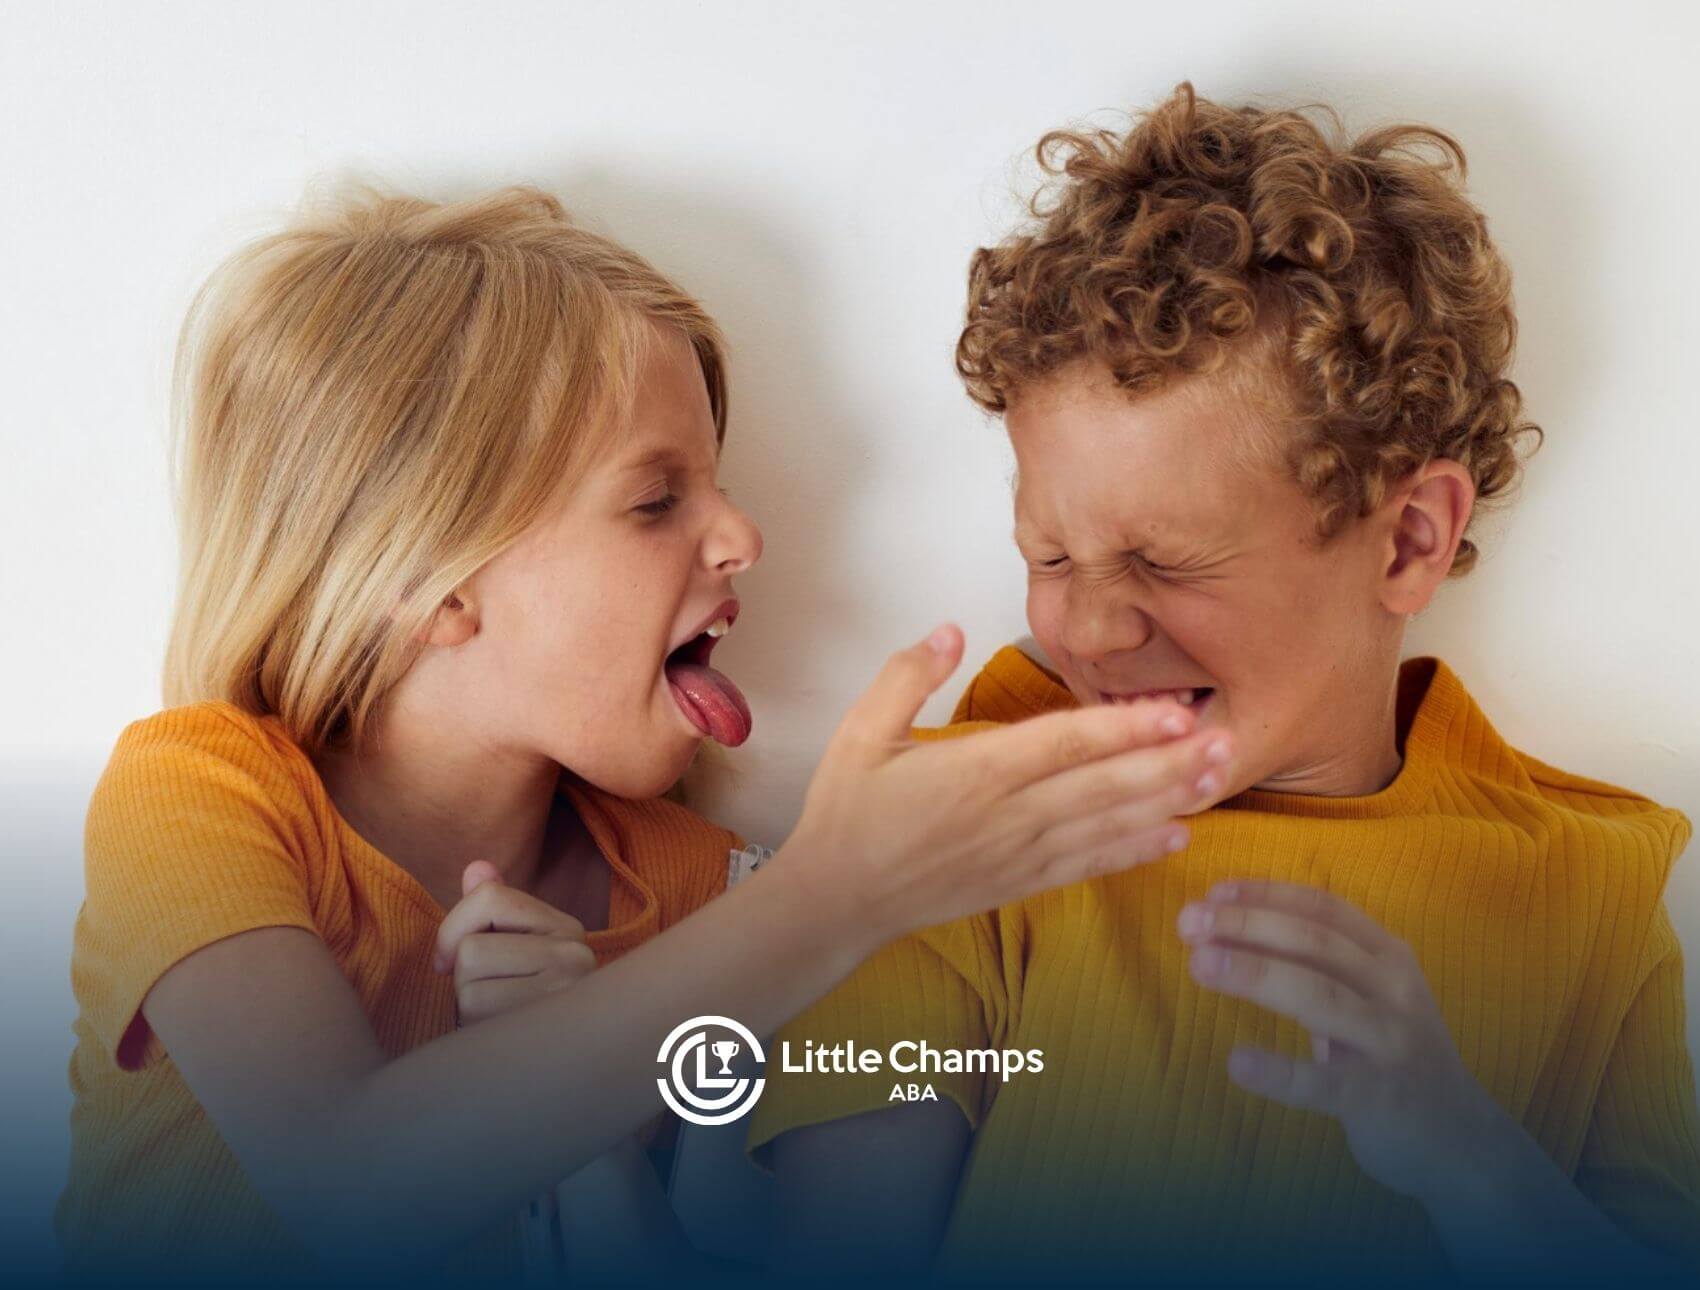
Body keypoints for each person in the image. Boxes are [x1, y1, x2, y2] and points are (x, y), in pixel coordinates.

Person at [55, 184, 1238, 1284]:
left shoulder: (695, 894)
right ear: (431, 579)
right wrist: (835, 897)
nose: (741, 537)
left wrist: (593, 1142)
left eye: (712, 484)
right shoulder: (200, 795)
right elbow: (350, 1188)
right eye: (654, 499)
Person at [750, 83, 1700, 1283]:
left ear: (1405, 540)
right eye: (1048, 555)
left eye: (1163, 560)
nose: (1086, 625)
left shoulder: (1593, 893)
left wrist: (1469, 1162)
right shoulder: (939, 839)